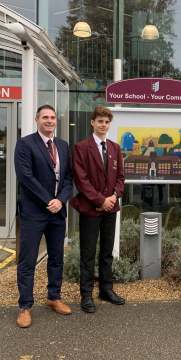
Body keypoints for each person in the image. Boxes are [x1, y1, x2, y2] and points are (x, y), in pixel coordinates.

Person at [14, 105, 73, 328]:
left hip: (57, 212)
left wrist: (61, 200)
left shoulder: (63, 146)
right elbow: (26, 177)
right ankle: (24, 306)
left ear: (56, 121)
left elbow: (68, 177)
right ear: (37, 119)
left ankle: (53, 297)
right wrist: (49, 200)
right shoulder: (25, 144)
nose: (49, 121)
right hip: (34, 212)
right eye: (45, 117)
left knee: (57, 258)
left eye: (52, 117)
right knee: (28, 260)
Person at [70, 105, 125, 313]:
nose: (103, 125)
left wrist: (113, 197)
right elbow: (81, 180)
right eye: (100, 121)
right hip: (91, 209)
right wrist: (100, 200)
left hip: (110, 208)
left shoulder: (115, 148)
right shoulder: (81, 148)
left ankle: (105, 289)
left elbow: (120, 177)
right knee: (88, 253)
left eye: (107, 122)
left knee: (107, 252)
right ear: (92, 122)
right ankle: (86, 295)